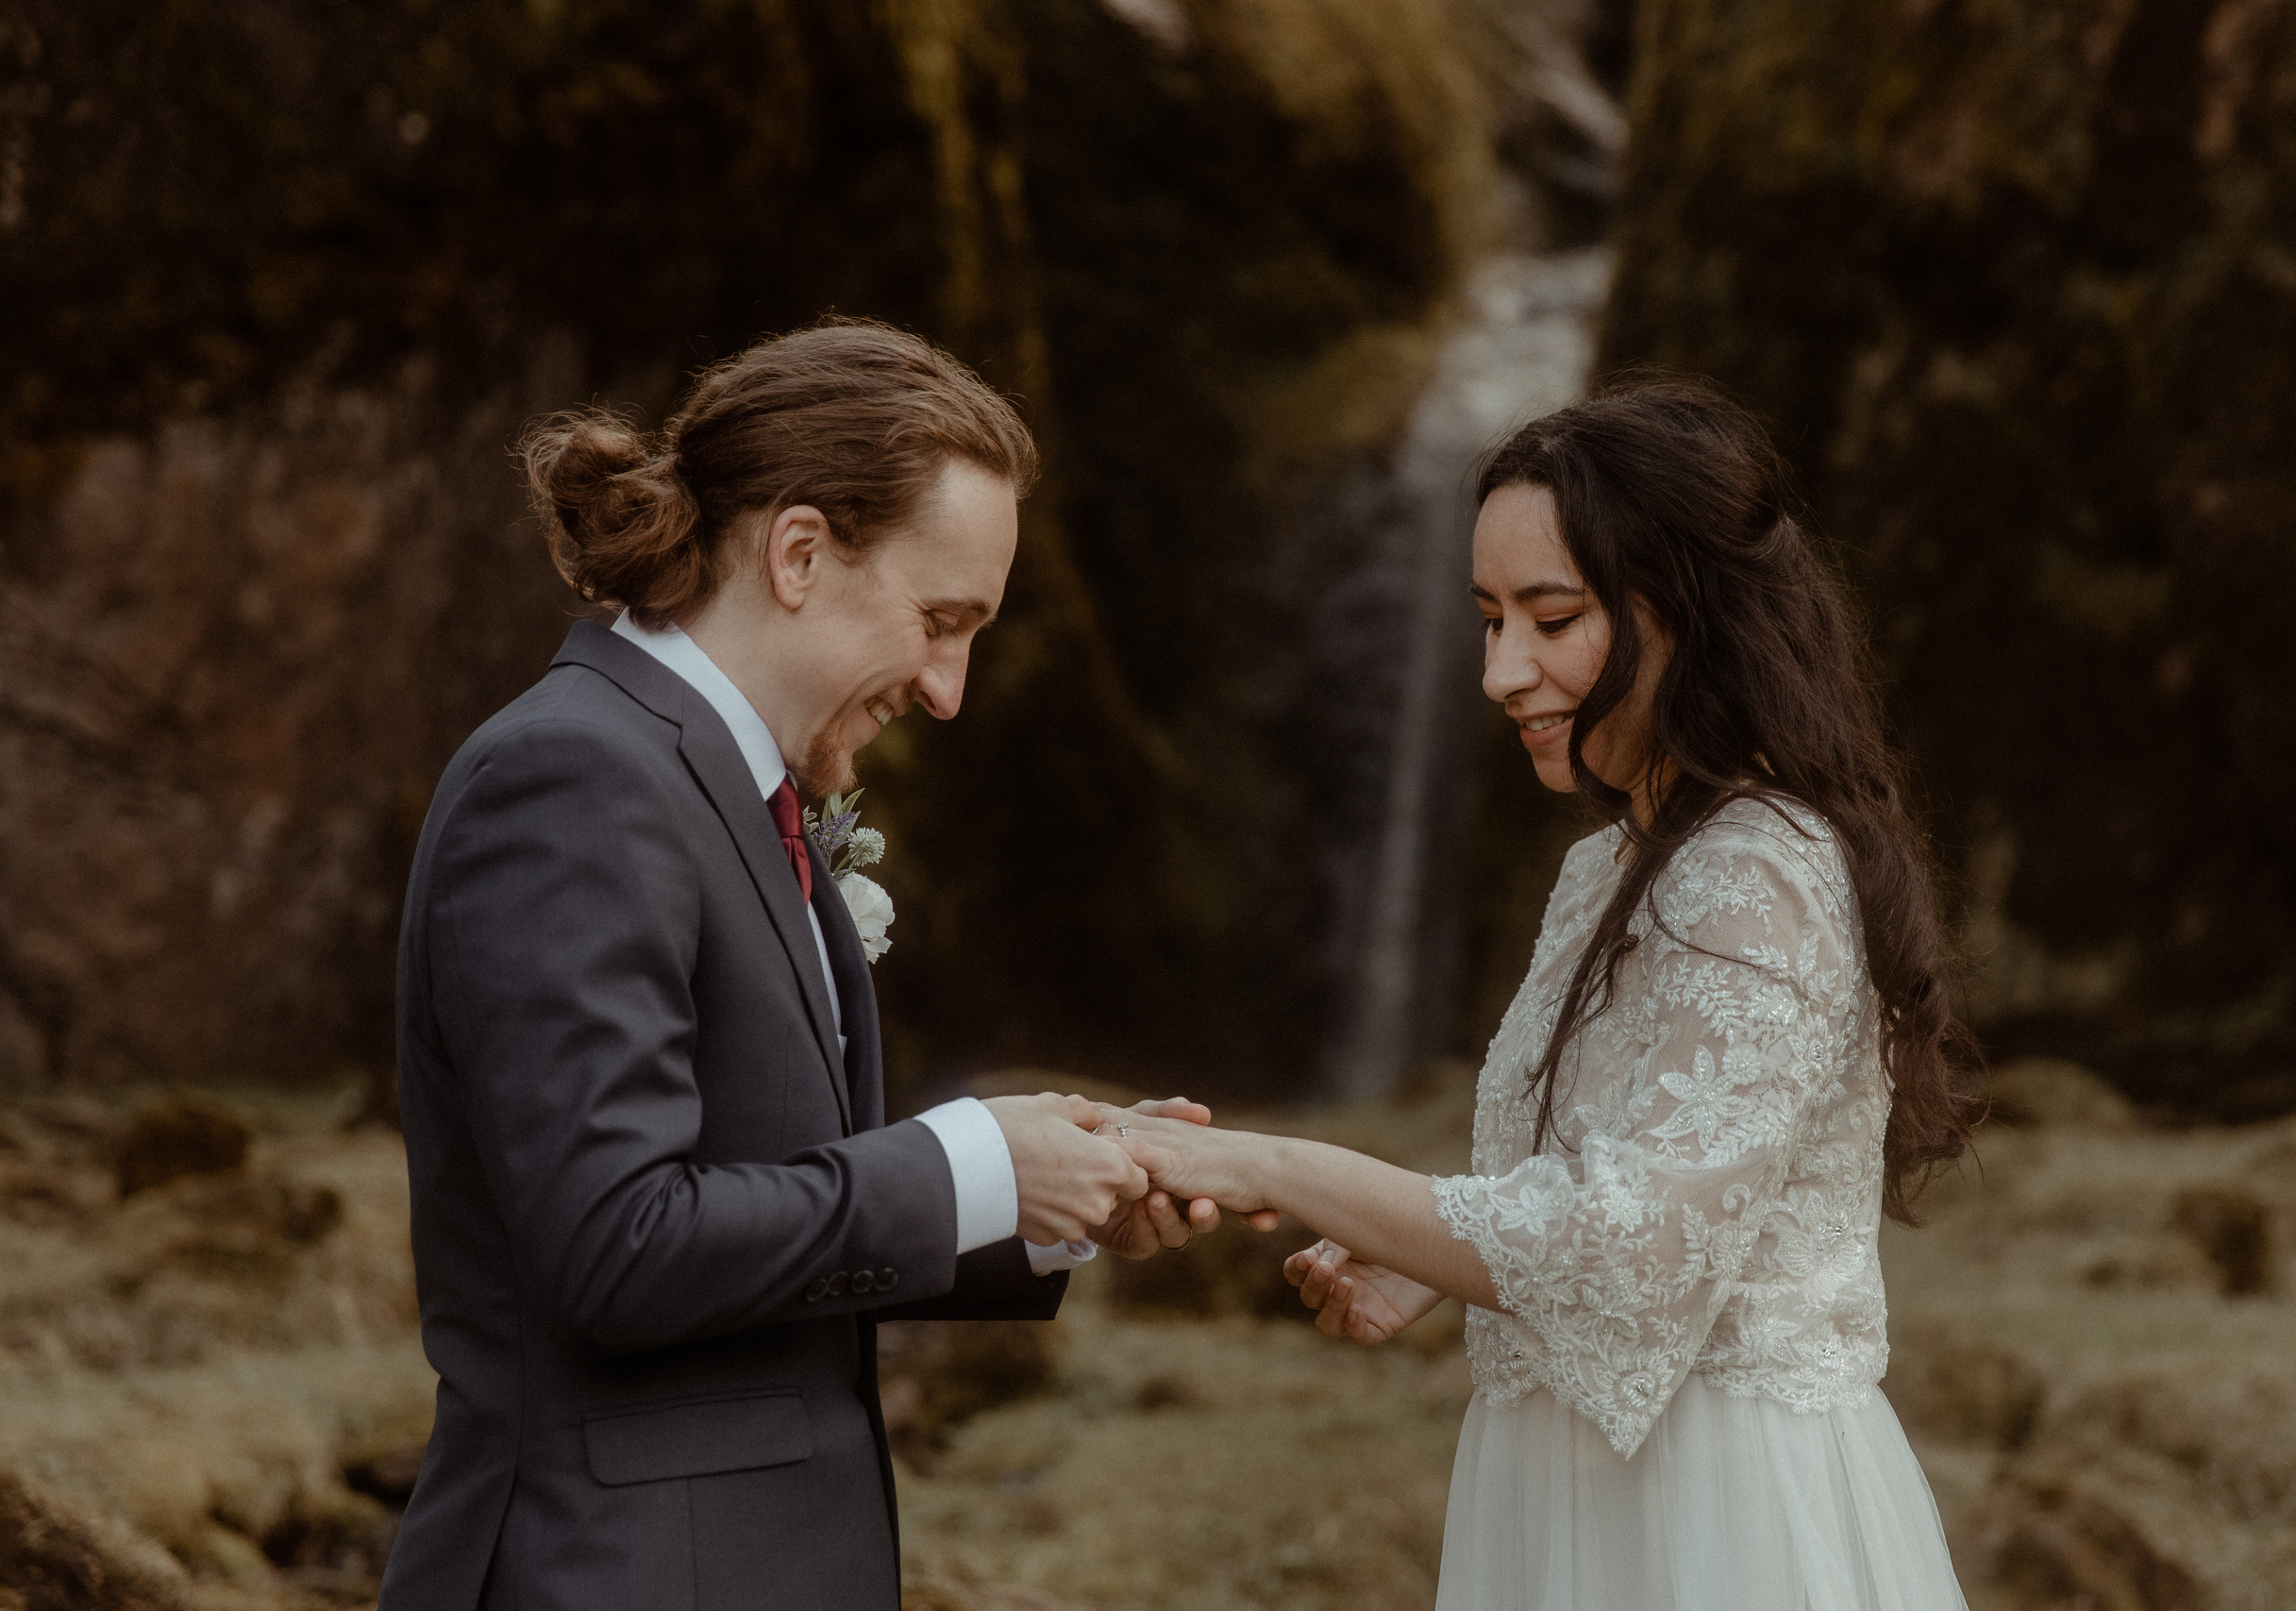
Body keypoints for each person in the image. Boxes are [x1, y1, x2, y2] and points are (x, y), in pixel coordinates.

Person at [381, 318, 1229, 1611]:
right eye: (939, 621)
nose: (949, 689)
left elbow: (767, 1204)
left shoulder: (732, 790)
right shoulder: (573, 777)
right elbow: (616, 1247)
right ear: (798, 553)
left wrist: (1037, 1204)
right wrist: (968, 1164)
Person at [1112, 376, 1980, 1608]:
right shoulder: (1608, 869)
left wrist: (1270, 1165)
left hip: (1720, 1517)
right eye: (1487, 621)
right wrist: (1433, 1256)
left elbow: (1634, 1256)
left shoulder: (1758, 866)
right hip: (1571, 1490)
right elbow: (1623, 1172)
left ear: (1689, 611)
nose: (1500, 671)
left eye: (1551, 617)